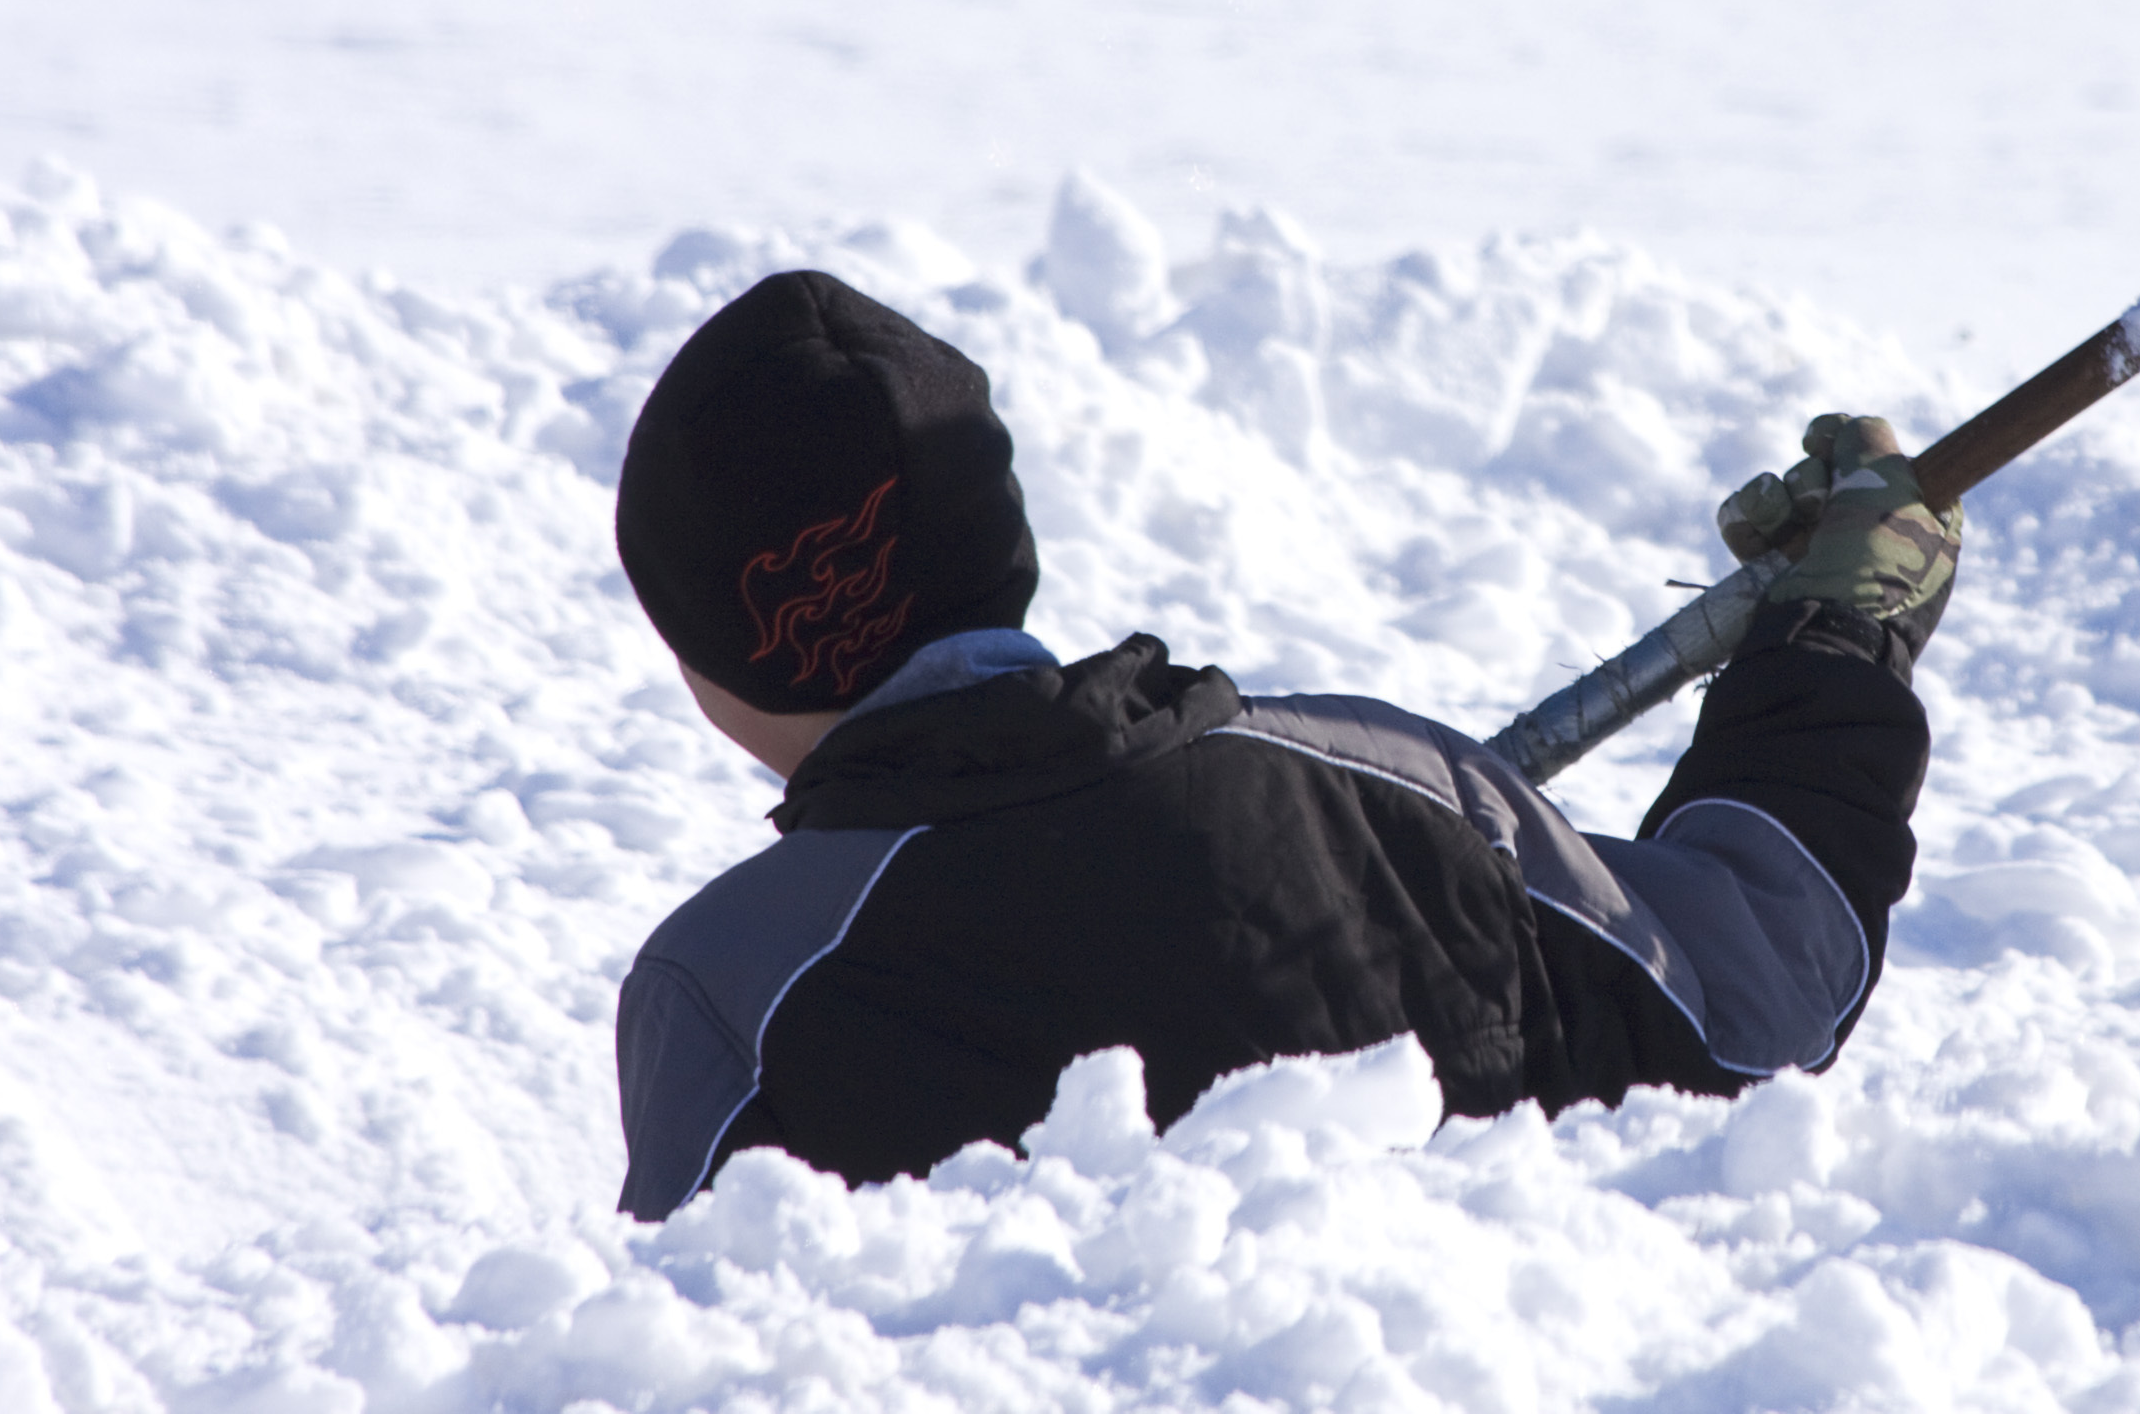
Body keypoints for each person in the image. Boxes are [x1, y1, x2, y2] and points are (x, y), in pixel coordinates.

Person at [609, 269, 1960, 1220]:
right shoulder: (1402, 799)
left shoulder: (729, 991)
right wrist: (1841, 632)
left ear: (713, 650)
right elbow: (1757, 990)